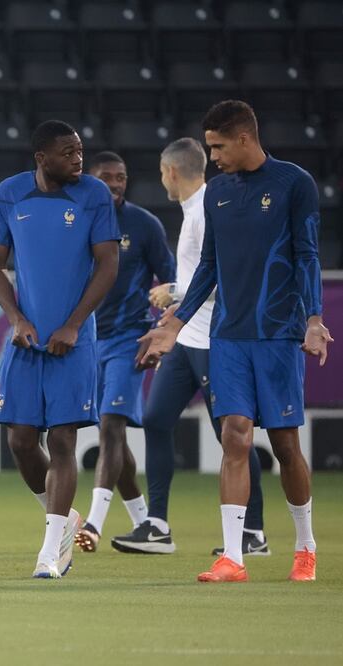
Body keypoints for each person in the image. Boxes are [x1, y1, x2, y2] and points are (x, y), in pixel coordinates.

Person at [137, 100, 330, 583]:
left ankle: (305, 547)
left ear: (245, 138)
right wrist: (175, 324)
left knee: (285, 444)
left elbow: (307, 255)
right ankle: (233, 558)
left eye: (219, 147)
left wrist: (313, 318)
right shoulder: (217, 193)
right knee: (235, 434)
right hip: (226, 335)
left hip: (278, 335)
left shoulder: (294, 183)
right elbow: (209, 266)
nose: (214, 157)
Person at [111, 137, 270, 556]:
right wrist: (175, 310)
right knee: (156, 419)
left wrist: (176, 292)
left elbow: (229, 278)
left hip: (214, 341)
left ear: (170, 172)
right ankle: (157, 525)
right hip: (186, 339)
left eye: (161, 173)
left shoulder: (205, 212)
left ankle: (253, 532)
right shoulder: (193, 210)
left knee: (230, 435)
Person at [0, 120, 120, 579]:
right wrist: (15, 318)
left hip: (74, 341)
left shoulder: (94, 195)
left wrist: (74, 324)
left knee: (62, 440)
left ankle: (51, 551)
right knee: (21, 441)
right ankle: (62, 519)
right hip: (25, 340)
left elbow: (108, 264)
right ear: (42, 158)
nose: (78, 159)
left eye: (80, 150)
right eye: (68, 152)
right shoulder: (10, 193)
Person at [73, 151, 175, 552]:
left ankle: (93, 524)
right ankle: (145, 522)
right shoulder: (76, 220)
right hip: (86, 340)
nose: (115, 184)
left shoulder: (144, 225)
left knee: (111, 426)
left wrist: (162, 330)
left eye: (121, 177)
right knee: (113, 437)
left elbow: (171, 281)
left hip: (128, 340)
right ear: (90, 181)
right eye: (106, 177)